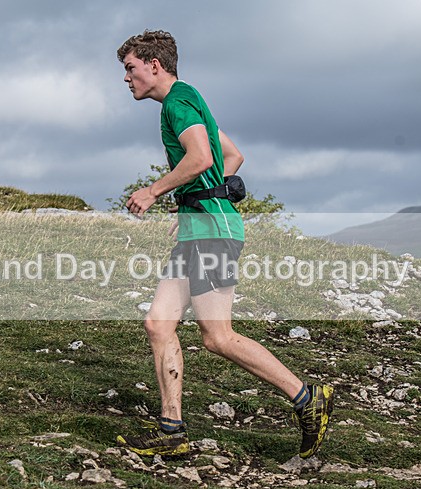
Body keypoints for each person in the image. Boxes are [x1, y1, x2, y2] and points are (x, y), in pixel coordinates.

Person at [115, 30, 333, 459]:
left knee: (217, 336)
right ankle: (171, 429)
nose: (126, 78)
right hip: (204, 226)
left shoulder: (178, 101)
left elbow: (202, 159)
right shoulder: (187, 100)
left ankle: (307, 397)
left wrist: (155, 191)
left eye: (130, 68)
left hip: (214, 231)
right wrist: (196, 203)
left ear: (154, 65)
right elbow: (233, 156)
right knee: (159, 324)